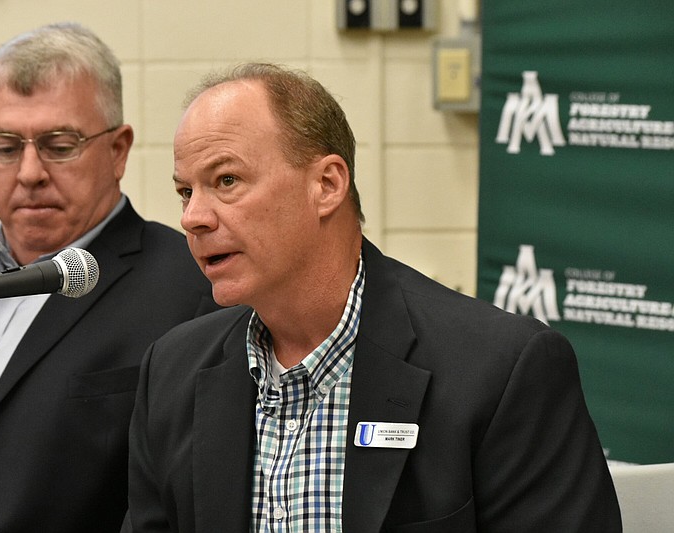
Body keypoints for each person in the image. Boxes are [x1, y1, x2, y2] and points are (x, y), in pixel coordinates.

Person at [122, 63, 622, 532]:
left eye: (226, 180)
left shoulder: (501, 371)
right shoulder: (173, 372)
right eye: (186, 192)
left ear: (327, 184)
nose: (193, 217)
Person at [0, 22, 218, 533]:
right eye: (7, 146)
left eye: (59, 145)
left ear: (119, 150)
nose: (30, 172)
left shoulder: (189, 287)